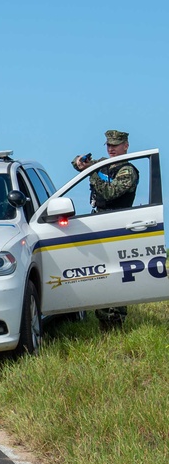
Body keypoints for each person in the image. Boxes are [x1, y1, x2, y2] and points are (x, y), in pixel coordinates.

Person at [72, 129, 139, 329]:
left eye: (115, 145)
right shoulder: (104, 163)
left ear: (125, 146)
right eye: (109, 145)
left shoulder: (127, 171)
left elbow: (109, 193)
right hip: (101, 223)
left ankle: (114, 322)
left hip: (117, 225)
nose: (112, 149)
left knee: (116, 274)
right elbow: (78, 166)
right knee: (101, 272)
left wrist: (91, 172)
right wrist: (79, 162)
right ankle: (103, 318)